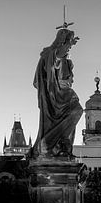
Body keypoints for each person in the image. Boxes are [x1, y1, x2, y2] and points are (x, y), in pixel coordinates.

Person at [32, 28, 83, 158]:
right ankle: (51, 143)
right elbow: (57, 57)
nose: (69, 47)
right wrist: (68, 45)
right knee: (77, 111)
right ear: (62, 41)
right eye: (67, 41)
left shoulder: (64, 58)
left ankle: (60, 142)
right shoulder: (52, 54)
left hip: (65, 92)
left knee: (77, 111)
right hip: (57, 93)